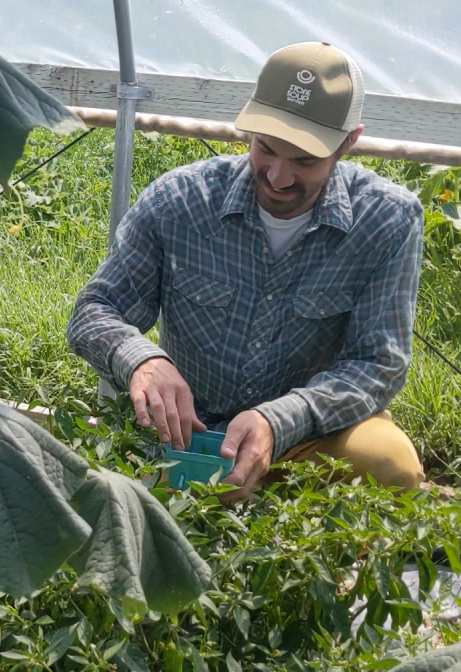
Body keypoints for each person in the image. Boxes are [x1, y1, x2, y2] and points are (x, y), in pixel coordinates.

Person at [66, 41, 425, 502]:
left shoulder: (386, 221)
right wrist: (142, 360)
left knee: (390, 465)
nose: (278, 177)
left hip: (303, 440)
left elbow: (379, 362)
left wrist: (280, 420)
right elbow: (95, 309)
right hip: (187, 437)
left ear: (349, 142)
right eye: (266, 149)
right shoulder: (181, 202)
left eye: (304, 161)